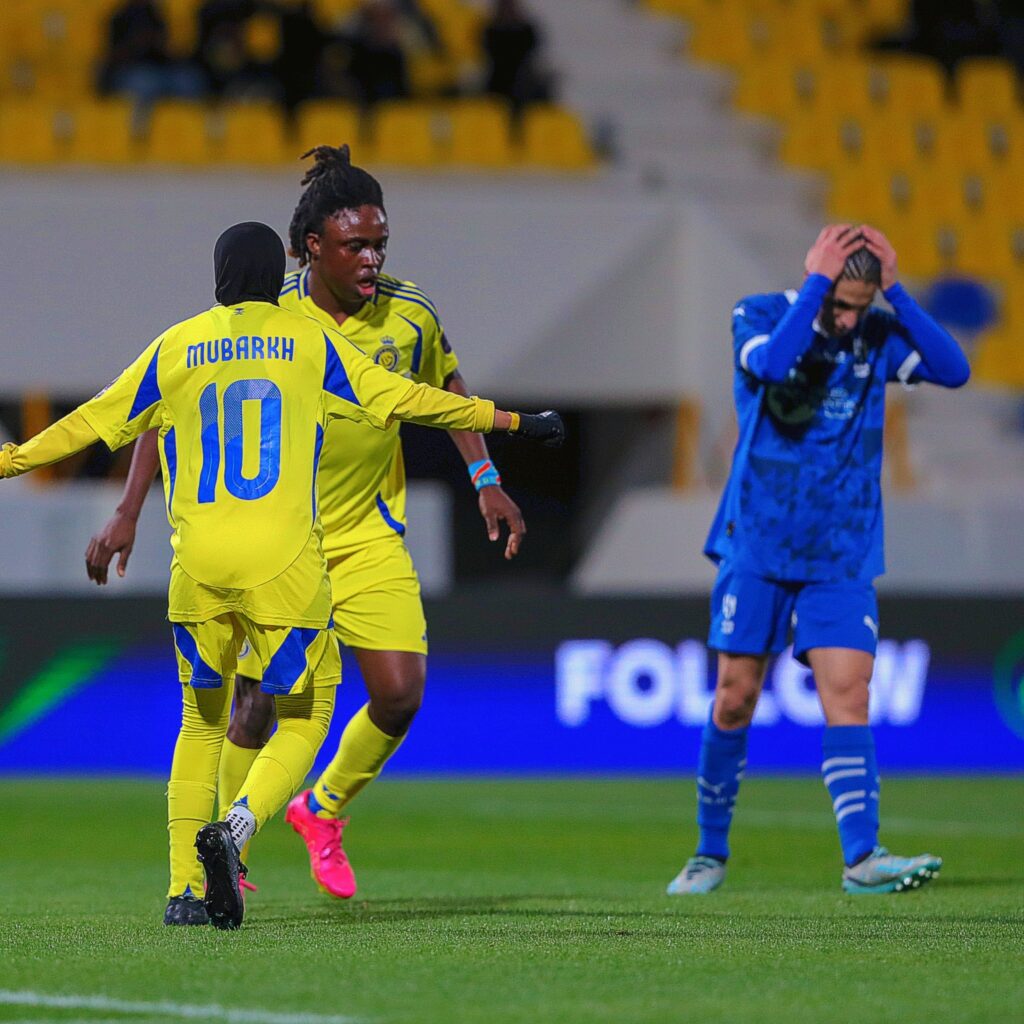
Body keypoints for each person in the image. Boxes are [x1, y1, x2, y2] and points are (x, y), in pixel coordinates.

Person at [4, 221, 563, 930]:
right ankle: (236, 831)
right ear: (279, 277)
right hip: (283, 565)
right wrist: (514, 422)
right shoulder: (308, 342)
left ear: (217, 278)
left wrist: (8, 461)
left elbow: (88, 422)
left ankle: (181, 892)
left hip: (197, 568)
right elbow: (410, 399)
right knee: (308, 714)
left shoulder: (176, 345)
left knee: (199, 724)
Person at [667, 225, 970, 897]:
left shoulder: (876, 330)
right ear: (816, 279)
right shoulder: (763, 313)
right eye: (841, 301)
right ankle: (709, 852)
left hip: (842, 548)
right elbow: (773, 366)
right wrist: (816, 287)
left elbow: (955, 370)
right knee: (734, 698)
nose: (848, 317)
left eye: (860, 305)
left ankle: (862, 859)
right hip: (760, 540)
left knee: (850, 695)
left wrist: (895, 292)